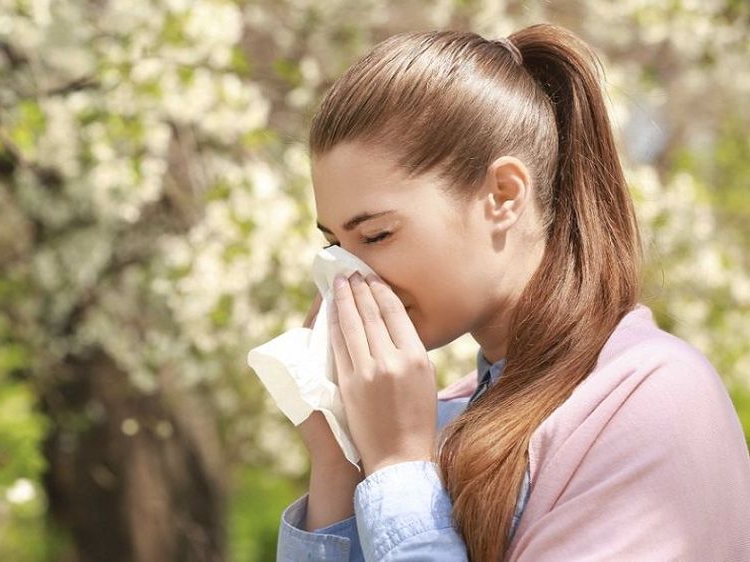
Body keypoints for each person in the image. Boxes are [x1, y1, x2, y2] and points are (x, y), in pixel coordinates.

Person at [275, 23, 750, 562]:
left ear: (502, 195)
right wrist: (340, 456)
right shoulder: (441, 418)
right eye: (335, 243)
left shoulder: (647, 400)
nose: (347, 274)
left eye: (376, 235)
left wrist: (398, 470)